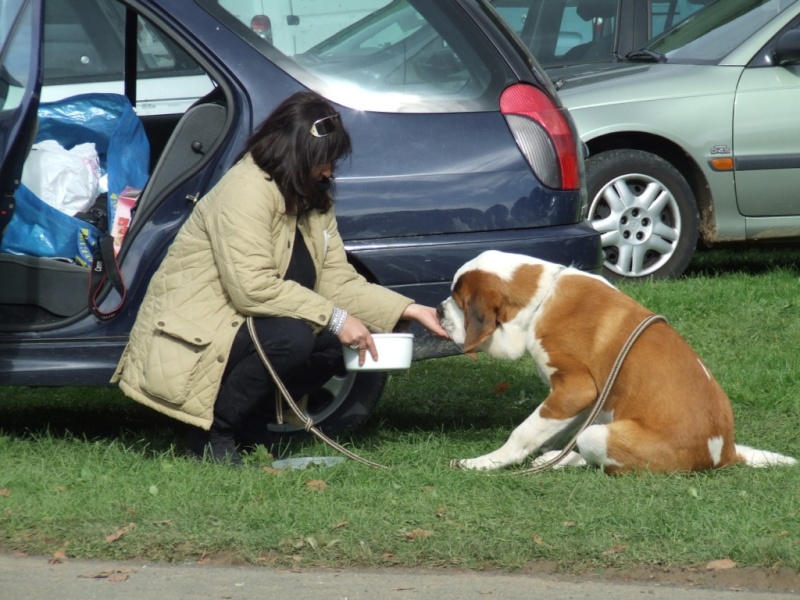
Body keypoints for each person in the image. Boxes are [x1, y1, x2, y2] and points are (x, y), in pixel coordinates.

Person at [112, 91, 448, 464]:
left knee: (345, 338)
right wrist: (336, 318)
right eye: (324, 161)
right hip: (202, 328)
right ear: (297, 154)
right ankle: (212, 432)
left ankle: (252, 423)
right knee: (293, 336)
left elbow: (336, 280)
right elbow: (251, 289)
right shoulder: (246, 189)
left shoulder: (312, 197)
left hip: (247, 323)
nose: (329, 172)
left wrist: (411, 310)